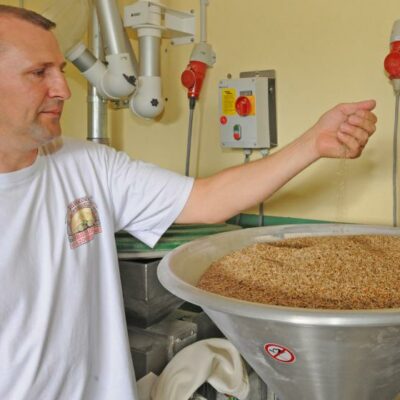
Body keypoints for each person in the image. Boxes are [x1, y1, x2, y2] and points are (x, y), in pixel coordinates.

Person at [0, 5, 377, 400]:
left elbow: (206, 200)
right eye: (39, 72)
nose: (62, 88)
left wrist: (313, 143)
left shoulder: (86, 165)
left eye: (61, 69)